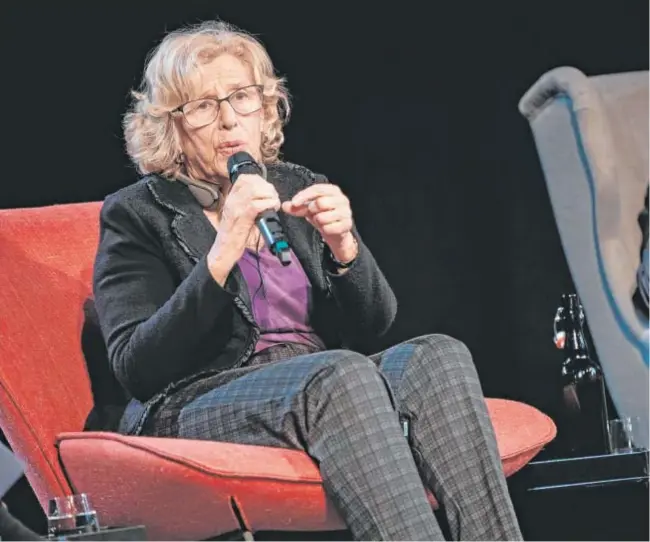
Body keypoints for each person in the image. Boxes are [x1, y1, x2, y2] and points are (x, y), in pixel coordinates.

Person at [91, 20, 523, 541]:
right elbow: (137, 368)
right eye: (202, 106)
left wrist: (346, 250)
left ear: (265, 107)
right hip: (199, 398)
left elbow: (373, 326)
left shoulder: (296, 186)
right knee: (339, 375)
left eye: (241, 97)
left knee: (439, 356)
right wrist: (223, 250)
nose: (228, 119)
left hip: (320, 380)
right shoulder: (139, 212)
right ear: (173, 126)